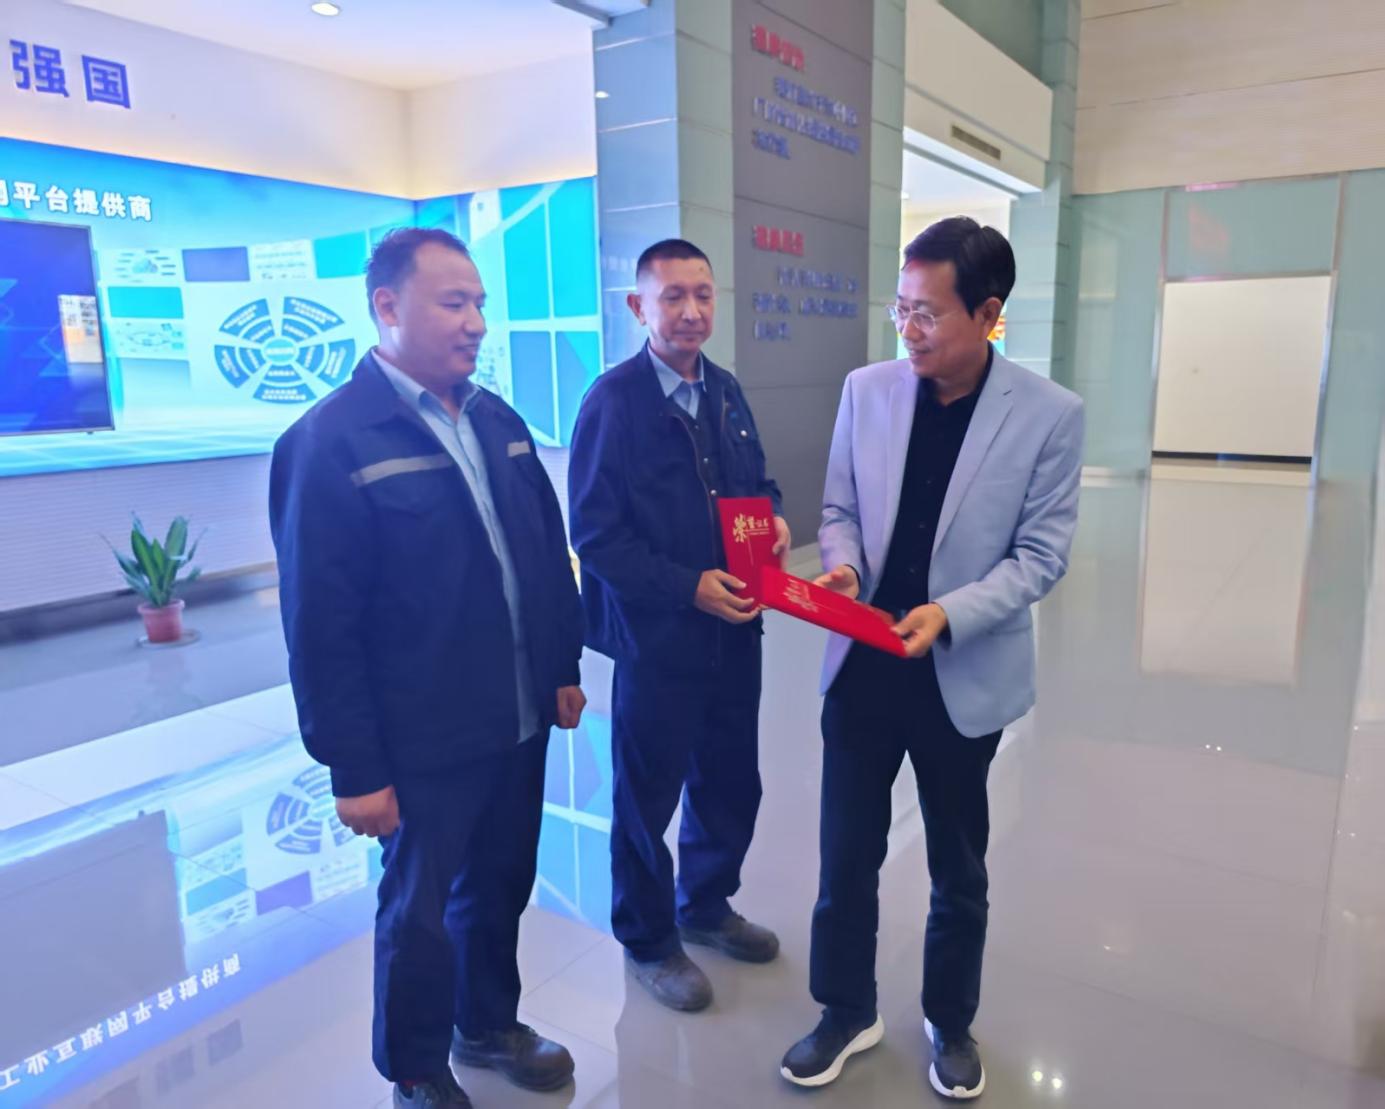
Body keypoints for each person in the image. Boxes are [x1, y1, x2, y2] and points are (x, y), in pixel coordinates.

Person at [269, 228, 586, 1109]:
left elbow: (543, 553)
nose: (476, 321)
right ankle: (414, 1067)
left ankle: (486, 1023)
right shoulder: (330, 441)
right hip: (421, 736)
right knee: (419, 911)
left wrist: (560, 663)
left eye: (479, 302)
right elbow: (320, 625)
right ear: (386, 305)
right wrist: (354, 766)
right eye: (454, 302)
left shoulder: (498, 422)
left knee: (501, 882)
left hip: (515, 713)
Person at [780, 217, 1084, 1100]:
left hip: (960, 667)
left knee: (958, 865)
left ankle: (950, 1019)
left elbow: (1039, 556)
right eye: (900, 308)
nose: (907, 330)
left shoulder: (1048, 415)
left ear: (987, 314)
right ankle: (844, 1008)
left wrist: (949, 612)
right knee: (845, 855)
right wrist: (844, 566)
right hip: (865, 663)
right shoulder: (867, 389)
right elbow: (839, 507)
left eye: (928, 313)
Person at [567, 238, 788, 1012]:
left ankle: (705, 903)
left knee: (730, 778)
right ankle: (648, 938)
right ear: (639, 306)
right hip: (659, 638)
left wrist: (773, 520)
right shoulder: (613, 402)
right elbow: (595, 534)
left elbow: (756, 484)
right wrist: (686, 587)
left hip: (736, 629)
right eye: (672, 297)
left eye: (702, 294)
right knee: (647, 793)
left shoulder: (724, 391)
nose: (691, 311)